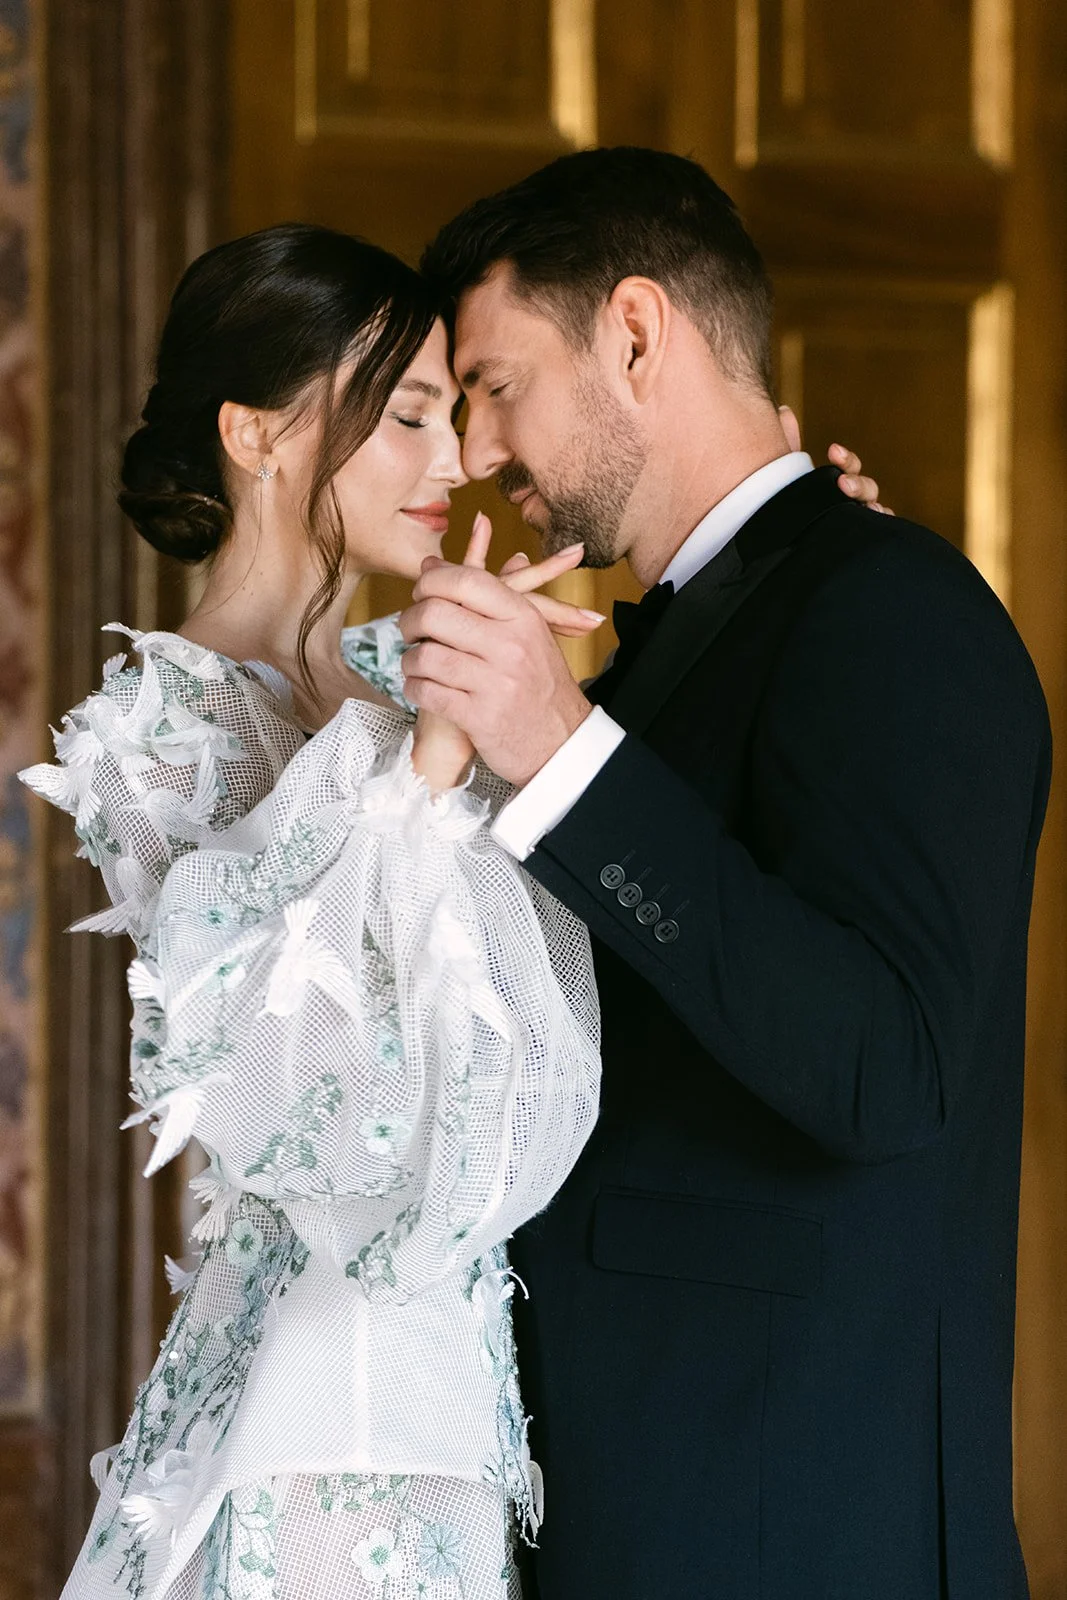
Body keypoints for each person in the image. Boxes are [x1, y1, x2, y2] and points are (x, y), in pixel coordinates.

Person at [403, 147, 1052, 1599]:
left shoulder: (890, 607)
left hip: (792, 1531)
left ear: (635, 334)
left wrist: (564, 753)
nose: (479, 453)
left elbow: (887, 1066)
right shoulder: (690, 637)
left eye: (495, 385)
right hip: (652, 1507)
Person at [21, 223, 609, 1600]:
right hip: (310, 1402)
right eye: (406, 417)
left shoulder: (413, 675)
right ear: (257, 435)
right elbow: (281, 1069)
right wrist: (426, 770)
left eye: (452, 415)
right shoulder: (150, 733)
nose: (455, 461)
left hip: (463, 1387)